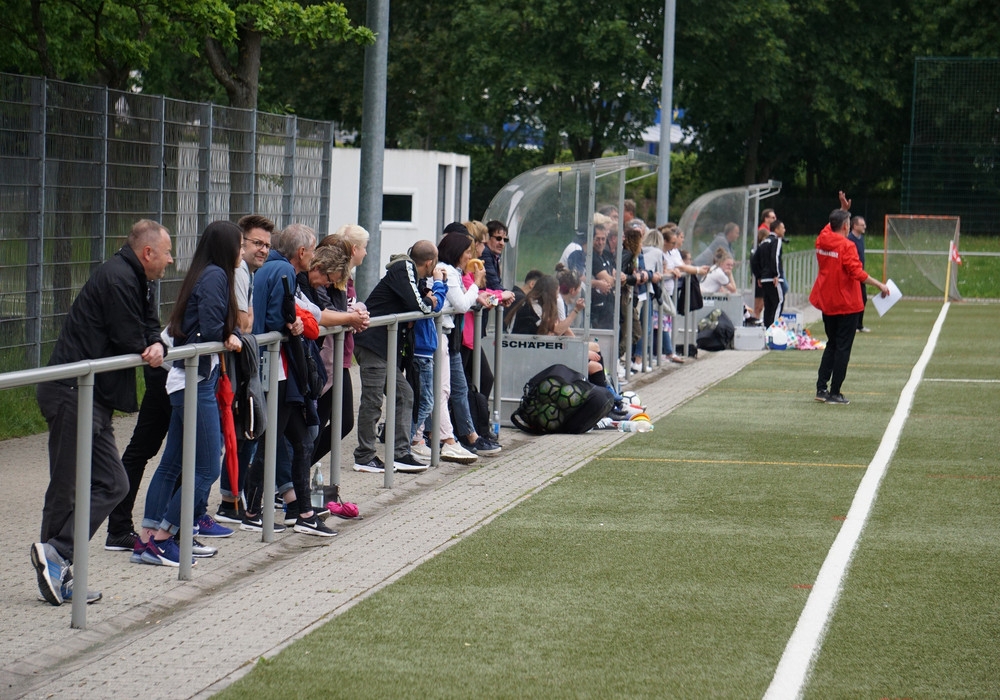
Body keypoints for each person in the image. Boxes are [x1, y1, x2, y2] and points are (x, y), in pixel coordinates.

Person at [32, 219, 173, 605]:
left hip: (94, 397)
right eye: (167, 253)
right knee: (66, 486)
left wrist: (157, 342)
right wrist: (154, 346)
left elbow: (148, 329)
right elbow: (134, 338)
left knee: (114, 483)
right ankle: (56, 565)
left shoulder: (135, 278)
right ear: (148, 253)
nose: (170, 261)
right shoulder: (118, 279)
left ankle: (55, 555)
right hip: (72, 393)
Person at [137, 220, 244, 566]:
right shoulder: (215, 276)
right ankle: (167, 534)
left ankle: (150, 537)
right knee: (207, 466)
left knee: (172, 463)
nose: (242, 252)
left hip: (192, 379)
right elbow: (212, 328)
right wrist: (230, 333)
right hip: (195, 381)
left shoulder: (207, 273)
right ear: (228, 248)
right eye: (240, 246)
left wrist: (229, 333)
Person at [242, 223, 336, 536]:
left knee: (301, 440)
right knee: (273, 441)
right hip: (276, 370)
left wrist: (294, 322)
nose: (315, 258)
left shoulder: (273, 268)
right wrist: (292, 325)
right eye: (312, 251)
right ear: (301, 252)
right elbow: (275, 317)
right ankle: (252, 510)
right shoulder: (282, 270)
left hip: (277, 369)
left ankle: (304, 513)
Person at [352, 240, 440, 473]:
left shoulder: (412, 275)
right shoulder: (404, 268)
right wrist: (430, 299)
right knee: (373, 401)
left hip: (384, 347)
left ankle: (400, 453)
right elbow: (420, 306)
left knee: (405, 394)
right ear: (430, 263)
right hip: (373, 344)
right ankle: (364, 456)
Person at [215, 214, 275, 523]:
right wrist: (248, 317)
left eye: (267, 245)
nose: (263, 250)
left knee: (244, 428)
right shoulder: (238, 271)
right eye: (256, 243)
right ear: (241, 242)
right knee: (239, 429)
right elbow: (244, 323)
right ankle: (228, 501)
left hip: (237, 360)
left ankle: (231, 500)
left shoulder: (248, 273)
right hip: (226, 365)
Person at [810, 209, 889, 405]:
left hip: (827, 301)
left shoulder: (822, 239)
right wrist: (879, 284)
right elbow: (856, 272)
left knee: (832, 344)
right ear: (846, 226)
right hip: (846, 303)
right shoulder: (847, 245)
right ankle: (835, 392)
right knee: (843, 348)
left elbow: (829, 226)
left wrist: (842, 209)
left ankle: (821, 388)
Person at [307, 230, 371, 472]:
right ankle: (291, 480)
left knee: (342, 422)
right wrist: (351, 317)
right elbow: (324, 312)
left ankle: (295, 478)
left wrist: (356, 315)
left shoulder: (342, 281)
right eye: (364, 247)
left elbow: (343, 309)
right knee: (316, 424)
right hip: (326, 358)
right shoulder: (324, 282)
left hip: (341, 357)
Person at [436, 231, 502, 456]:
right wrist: (476, 283)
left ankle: (468, 435)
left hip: (450, 337)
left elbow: (463, 300)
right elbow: (462, 304)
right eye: (467, 252)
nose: (469, 257)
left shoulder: (453, 272)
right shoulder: (449, 272)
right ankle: (447, 437)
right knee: (442, 391)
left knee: (459, 388)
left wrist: (477, 294)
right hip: (444, 336)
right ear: (456, 252)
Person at [848, 216, 870, 332]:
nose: (864, 227)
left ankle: (859, 325)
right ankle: (853, 325)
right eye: (862, 225)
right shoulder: (849, 239)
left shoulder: (861, 238)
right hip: (852, 275)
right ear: (855, 226)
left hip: (860, 273)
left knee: (863, 298)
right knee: (854, 301)